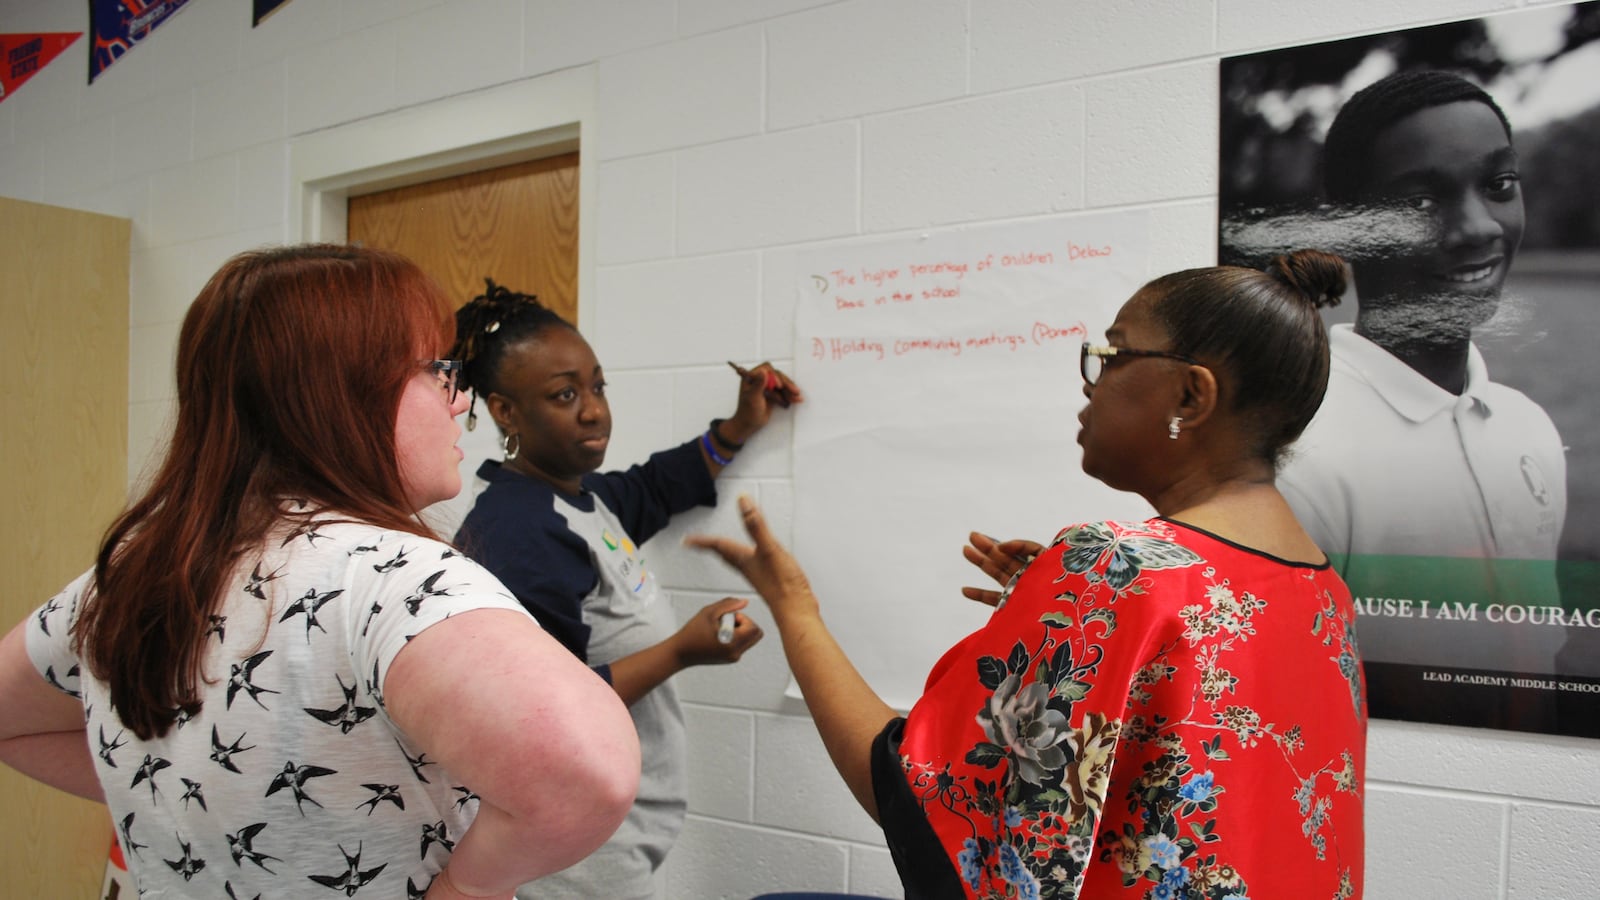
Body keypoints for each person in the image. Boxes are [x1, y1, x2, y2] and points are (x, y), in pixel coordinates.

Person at [690, 251, 1368, 899]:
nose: (1090, 384)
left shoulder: (1114, 566)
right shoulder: (1325, 592)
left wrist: (793, 605)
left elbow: (927, 806)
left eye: (1111, 355)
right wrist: (1071, 617)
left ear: (1190, 396)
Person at [0, 245, 640, 900]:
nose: (458, 400)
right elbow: (591, 777)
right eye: (436, 372)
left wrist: (183, 791)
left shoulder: (129, 576)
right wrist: (467, 888)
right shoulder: (390, 576)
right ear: (342, 394)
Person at [448, 280, 795, 900]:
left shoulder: (578, 499)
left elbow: (657, 486)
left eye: (598, 388)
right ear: (504, 412)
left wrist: (740, 427)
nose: (593, 411)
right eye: (565, 395)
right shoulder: (517, 531)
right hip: (574, 854)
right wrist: (682, 651)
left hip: (616, 831)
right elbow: (545, 715)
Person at [1274, 70, 1568, 689]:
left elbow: (1543, 659)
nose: (1478, 227)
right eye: (1418, 203)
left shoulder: (1530, 428)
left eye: (1498, 185)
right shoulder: (1297, 453)